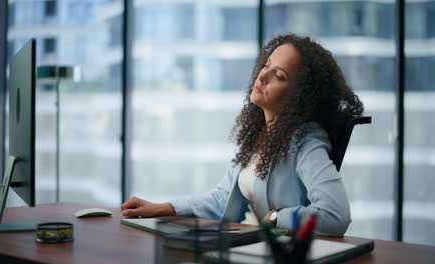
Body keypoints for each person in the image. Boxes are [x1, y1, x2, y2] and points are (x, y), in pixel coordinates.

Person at [121, 34, 364, 236]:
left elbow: (336, 215)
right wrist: (163, 207)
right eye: (266, 65)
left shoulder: (306, 142)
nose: (262, 76)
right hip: (241, 245)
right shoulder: (261, 134)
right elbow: (221, 200)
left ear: (299, 96)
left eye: (279, 76)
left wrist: (278, 217)